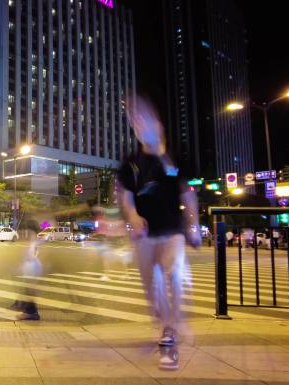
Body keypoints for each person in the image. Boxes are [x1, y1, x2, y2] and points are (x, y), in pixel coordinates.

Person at [118, 96, 201, 371]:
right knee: (151, 287)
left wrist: (193, 225)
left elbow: (188, 193)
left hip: (172, 230)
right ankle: (164, 318)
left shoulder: (177, 156)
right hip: (144, 234)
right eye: (134, 120)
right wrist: (133, 217)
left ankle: (170, 330)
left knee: (174, 270)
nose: (138, 123)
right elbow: (126, 199)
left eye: (143, 117)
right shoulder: (131, 163)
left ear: (158, 123)